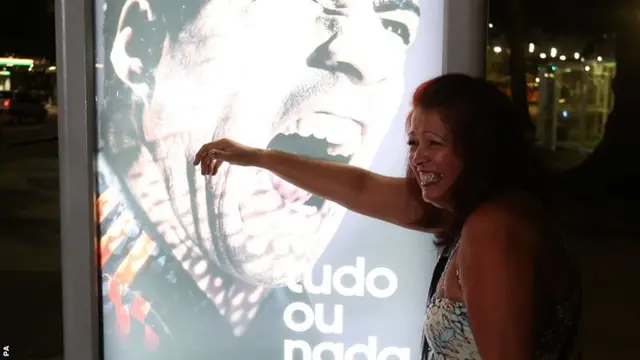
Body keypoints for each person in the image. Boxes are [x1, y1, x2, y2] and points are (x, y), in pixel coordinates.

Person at [98, 0, 423, 357]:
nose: (371, 61)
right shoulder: (108, 302)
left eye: (395, 27)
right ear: (145, 45)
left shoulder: (289, 318)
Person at [193, 73, 582, 360]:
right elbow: (360, 187)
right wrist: (259, 157)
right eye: (413, 142)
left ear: (478, 148)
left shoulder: (493, 228)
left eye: (435, 143)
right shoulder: (487, 210)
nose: (418, 156)